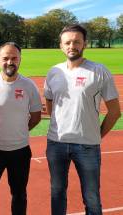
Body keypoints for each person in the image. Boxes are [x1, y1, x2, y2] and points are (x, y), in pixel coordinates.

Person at [44, 24, 121, 215]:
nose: (72, 46)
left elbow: (114, 111)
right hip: (56, 143)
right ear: (61, 46)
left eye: (77, 42)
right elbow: (50, 103)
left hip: (87, 146)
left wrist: (97, 134)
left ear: (84, 44)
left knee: (92, 197)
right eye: (67, 42)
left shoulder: (99, 71)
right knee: (57, 192)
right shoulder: (54, 72)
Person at [0, 42, 42, 215]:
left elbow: (36, 117)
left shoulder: (29, 86)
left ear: (20, 59)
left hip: (20, 151)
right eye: (6, 58)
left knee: (19, 195)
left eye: (14, 58)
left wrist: (19, 131)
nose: (10, 62)